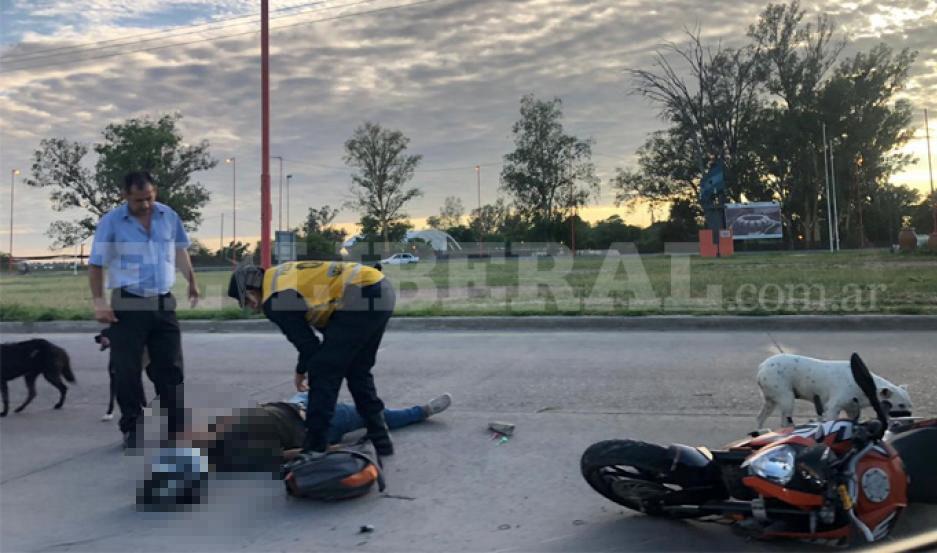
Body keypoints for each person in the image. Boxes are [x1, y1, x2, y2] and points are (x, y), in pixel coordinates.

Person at [227, 260, 395, 458]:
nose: (251, 307)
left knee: (323, 371)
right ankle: (381, 441)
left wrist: (304, 370)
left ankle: (315, 448)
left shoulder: (274, 299)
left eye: (246, 301)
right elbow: (312, 343)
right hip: (379, 288)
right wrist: (301, 368)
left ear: (250, 290)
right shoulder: (278, 277)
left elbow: (309, 347)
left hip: (360, 295)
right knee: (357, 371)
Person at [88, 171, 199, 449]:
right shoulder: (111, 222)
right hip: (128, 302)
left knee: (171, 367)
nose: (145, 205)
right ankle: (133, 427)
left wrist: (192, 281)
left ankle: (176, 428)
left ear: (155, 192)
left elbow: (180, 250)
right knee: (127, 370)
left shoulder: (168, 216)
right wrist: (99, 301)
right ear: (125, 195)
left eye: (149, 198)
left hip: (163, 301)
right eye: (138, 200)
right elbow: (97, 263)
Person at [201, 392, 452, 473]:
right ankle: (421, 411)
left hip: (294, 404)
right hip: (318, 425)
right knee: (372, 414)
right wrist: (331, 449)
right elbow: (289, 454)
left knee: (317, 384)